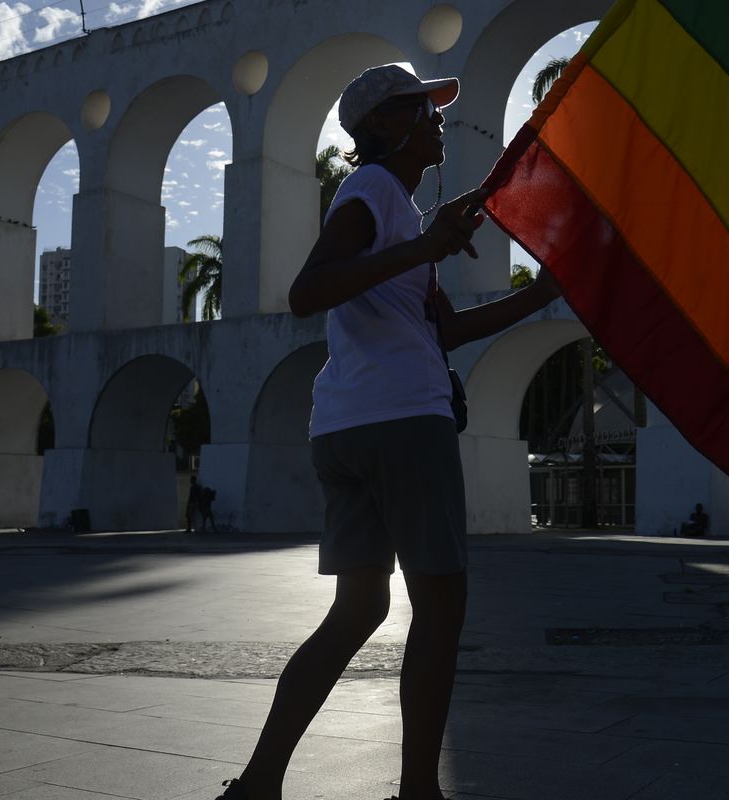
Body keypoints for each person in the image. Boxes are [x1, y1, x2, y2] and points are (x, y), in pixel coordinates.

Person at [215, 64, 559, 800]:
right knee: (440, 610)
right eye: (421, 109)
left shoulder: (396, 210)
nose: (438, 120)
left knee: (362, 608)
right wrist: (421, 249)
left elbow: (449, 331)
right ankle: (416, 793)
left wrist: (544, 294)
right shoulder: (372, 192)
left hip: (347, 426)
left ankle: (258, 785)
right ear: (382, 127)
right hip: (402, 424)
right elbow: (308, 291)